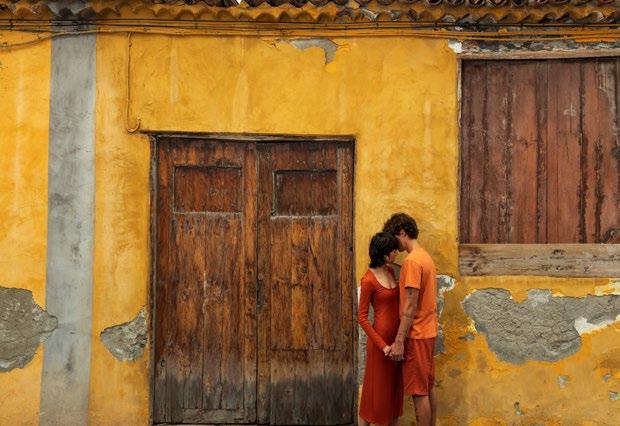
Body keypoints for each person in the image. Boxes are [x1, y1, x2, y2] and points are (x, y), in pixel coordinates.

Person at [383, 213, 438, 426]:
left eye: (394, 238)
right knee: (428, 387)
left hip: (417, 335)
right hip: (428, 332)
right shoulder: (425, 257)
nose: (393, 245)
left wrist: (399, 341)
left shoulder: (412, 262)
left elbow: (410, 305)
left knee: (418, 392)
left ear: (403, 232)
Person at [358, 232, 403, 426]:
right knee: (377, 394)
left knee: (391, 394)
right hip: (381, 347)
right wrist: (383, 346)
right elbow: (361, 317)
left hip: (396, 343)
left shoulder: (391, 271)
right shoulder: (368, 280)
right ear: (385, 254)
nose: (396, 253)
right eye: (393, 250)